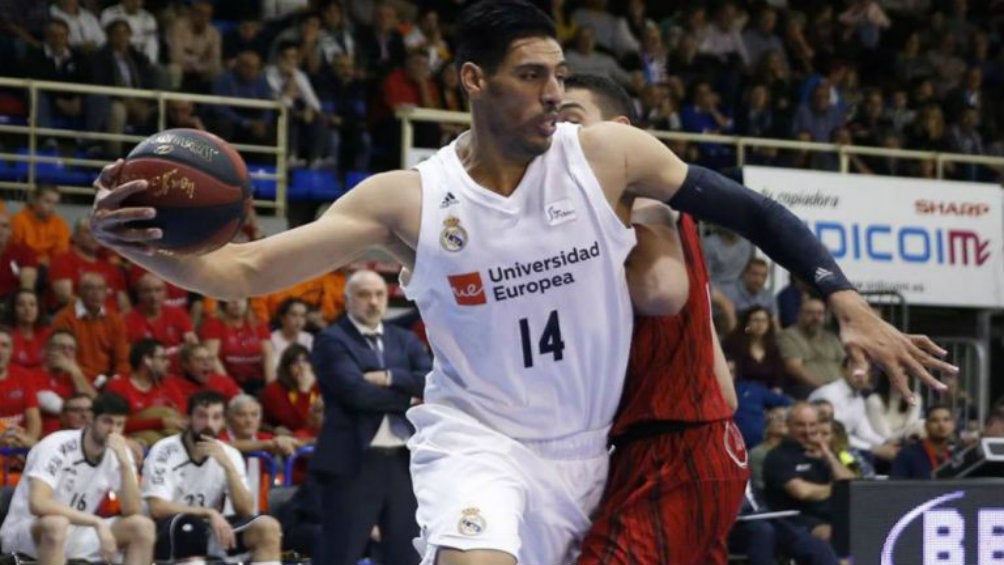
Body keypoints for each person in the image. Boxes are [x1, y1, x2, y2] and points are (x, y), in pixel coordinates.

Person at [91, 2, 953, 562]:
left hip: (595, 451)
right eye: (532, 76)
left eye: (560, 76)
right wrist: (136, 246)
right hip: (481, 443)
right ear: (473, 80)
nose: (554, 94)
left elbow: (752, 210)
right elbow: (243, 269)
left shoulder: (607, 156)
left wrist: (845, 299)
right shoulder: (410, 199)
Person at [558, 74, 746, 565]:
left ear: (621, 132)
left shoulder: (643, 200)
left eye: (572, 120)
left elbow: (661, 291)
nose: (559, 135)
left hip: (676, 444)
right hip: (687, 440)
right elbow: (723, 386)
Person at [311, 269, 430, 565]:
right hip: (354, 463)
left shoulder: (402, 338)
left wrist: (389, 377)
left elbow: (430, 380)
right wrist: (409, 397)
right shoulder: (332, 340)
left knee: (406, 554)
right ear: (348, 299)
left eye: (379, 294)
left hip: (403, 462)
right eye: (364, 295)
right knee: (340, 552)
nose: (374, 302)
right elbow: (356, 394)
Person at [0, 392, 155, 565]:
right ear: (91, 419)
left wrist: (126, 464)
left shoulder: (119, 453)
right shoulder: (55, 445)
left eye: (119, 424)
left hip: (77, 529)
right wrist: (97, 522)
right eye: (107, 421)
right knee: (57, 525)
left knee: (143, 527)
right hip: (27, 532)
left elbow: (131, 509)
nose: (113, 430)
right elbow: (39, 503)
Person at [142, 391, 282, 564]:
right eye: (202, 416)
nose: (208, 423)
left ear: (223, 422)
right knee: (191, 527)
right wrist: (208, 512)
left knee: (268, 527)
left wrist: (228, 467)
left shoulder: (229, 454)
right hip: (167, 530)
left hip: (212, 527)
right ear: (188, 419)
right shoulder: (164, 450)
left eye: (216, 417)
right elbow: (157, 508)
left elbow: (246, 510)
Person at [762, 402, 855, 542]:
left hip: (832, 514)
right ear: (788, 425)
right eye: (800, 425)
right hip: (795, 518)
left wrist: (827, 455)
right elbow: (802, 492)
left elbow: (852, 484)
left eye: (812, 424)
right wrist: (837, 488)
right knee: (834, 534)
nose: (807, 430)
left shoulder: (825, 454)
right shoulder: (778, 456)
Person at [809, 358, 900, 462]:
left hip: (848, 447)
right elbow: (836, 435)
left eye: (867, 372)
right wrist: (872, 448)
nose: (862, 376)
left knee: (898, 455)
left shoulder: (858, 399)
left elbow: (865, 432)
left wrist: (885, 443)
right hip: (828, 449)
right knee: (870, 459)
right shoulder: (829, 395)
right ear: (844, 370)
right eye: (858, 370)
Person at [105, 339, 187, 447]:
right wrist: (160, 422)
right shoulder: (118, 386)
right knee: (156, 421)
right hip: (133, 442)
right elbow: (115, 424)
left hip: (168, 438)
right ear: (147, 360)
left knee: (167, 414)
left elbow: (182, 416)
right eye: (163, 358)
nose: (168, 362)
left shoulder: (168, 385)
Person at [33, 330, 96, 435]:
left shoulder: (80, 376)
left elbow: (96, 407)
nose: (66, 352)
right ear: (48, 350)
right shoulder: (32, 376)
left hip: (81, 434)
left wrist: (75, 373)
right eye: (61, 347)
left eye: (71, 349)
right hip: (47, 435)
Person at [260, 343, 318, 436]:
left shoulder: (320, 386)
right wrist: (304, 392)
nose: (302, 367)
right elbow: (298, 423)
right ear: (286, 368)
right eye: (295, 363)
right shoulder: (274, 391)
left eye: (306, 361)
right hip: (287, 440)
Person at [890, 404, 956, 479]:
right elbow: (896, 488)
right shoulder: (907, 454)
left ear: (953, 425)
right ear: (926, 426)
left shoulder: (959, 454)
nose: (941, 425)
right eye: (935, 421)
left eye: (946, 420)